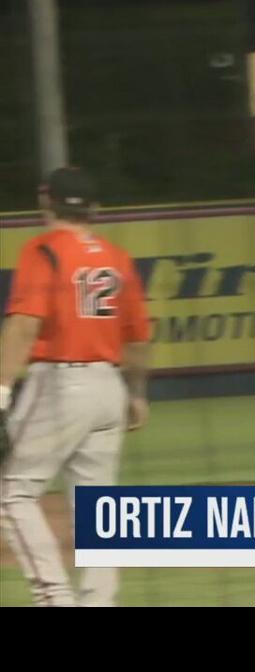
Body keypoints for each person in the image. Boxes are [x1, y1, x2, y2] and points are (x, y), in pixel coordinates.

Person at [0, 167, 152, 607]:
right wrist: (137, 393)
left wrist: (2, 392)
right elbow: (139, 338)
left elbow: (24, 325)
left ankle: (56, 599)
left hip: (61, 384)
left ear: (46, 202)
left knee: (10, 493)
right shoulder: (116, 257)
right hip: (109, 387)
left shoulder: (43, 249)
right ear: (95, 209)